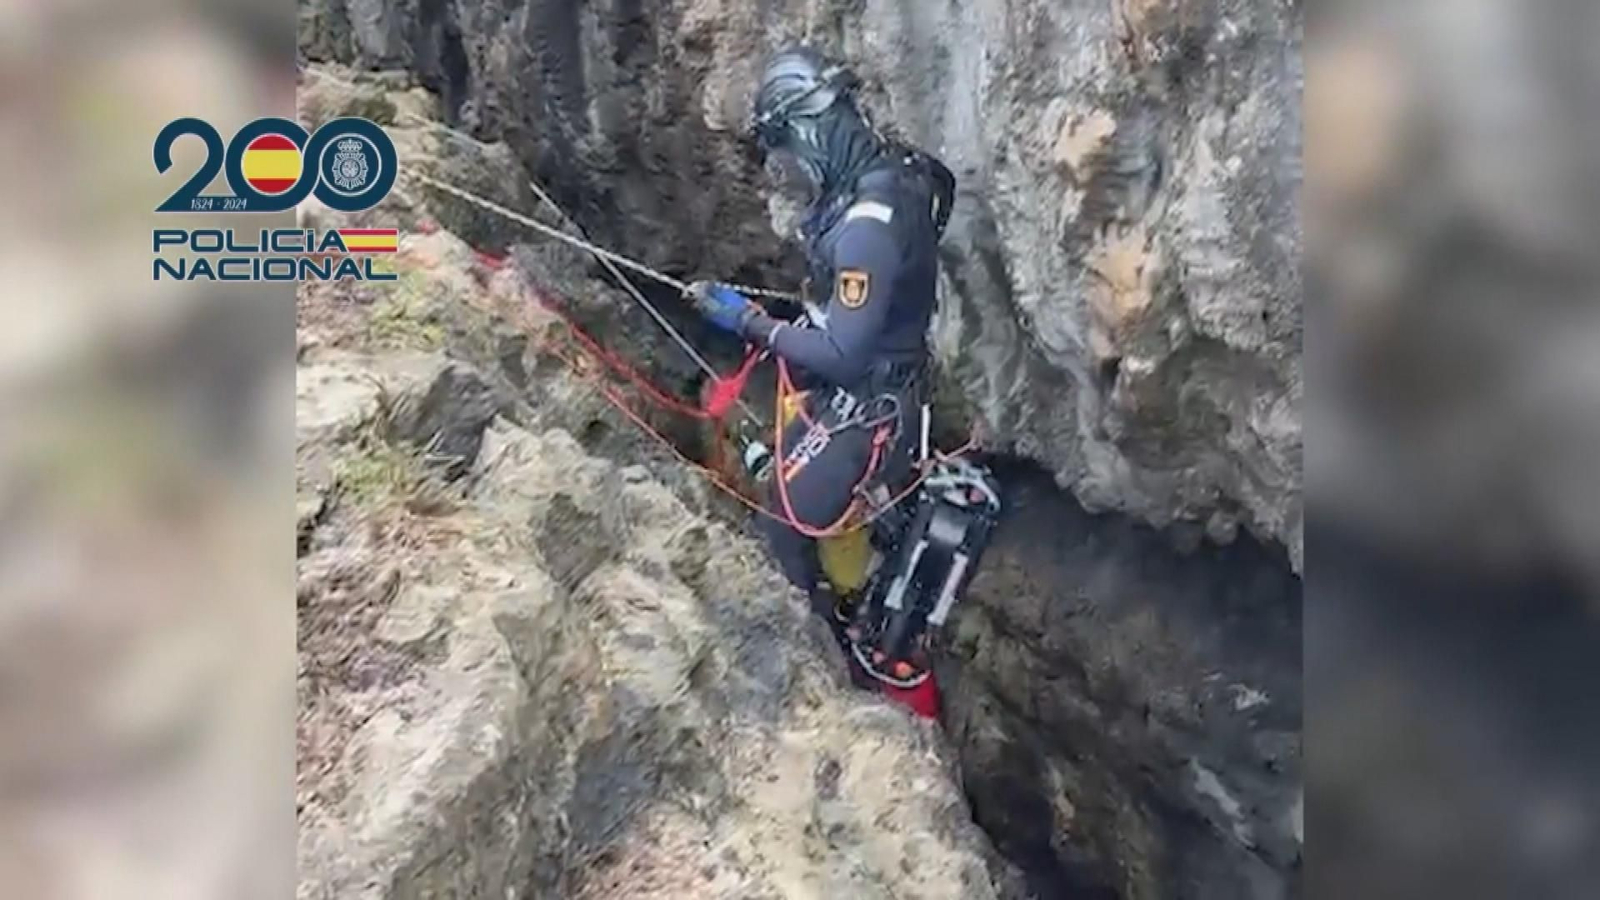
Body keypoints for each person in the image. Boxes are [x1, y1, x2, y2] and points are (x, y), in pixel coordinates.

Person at [688, 46, 954, 628]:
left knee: (781, 522)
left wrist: (747, 322)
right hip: (891, 383)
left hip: (870, 407)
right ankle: (851, 569)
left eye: (787, 149)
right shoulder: (901, 174)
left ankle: (823, 658)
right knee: (794, 459)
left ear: (810, 132)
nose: (788, 166)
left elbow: (841, 353)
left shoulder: (865, 230)